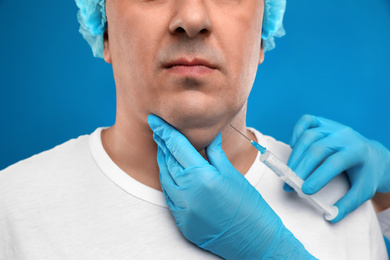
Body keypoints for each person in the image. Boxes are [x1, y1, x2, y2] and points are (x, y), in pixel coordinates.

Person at [0, 0, 388, 259]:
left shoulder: (341, 202)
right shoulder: (11, 211)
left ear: (261, 36)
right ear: (104, 30)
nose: (192, 19)